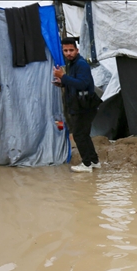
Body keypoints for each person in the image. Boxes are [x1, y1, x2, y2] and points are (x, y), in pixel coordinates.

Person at [54, 37, 100, 173]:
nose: (68, 53)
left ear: (77, 50)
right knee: (84, 134)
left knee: (79, 135)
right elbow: (75, 83)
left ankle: (87, 164)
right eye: (65, 50)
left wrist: (63, 77)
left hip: (85, 106)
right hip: (80, 105)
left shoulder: (81, 64)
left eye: (71, 50)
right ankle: (94, 161)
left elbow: (83, 84)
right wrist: (62, 83)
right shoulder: (71, 64)